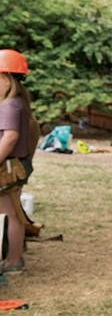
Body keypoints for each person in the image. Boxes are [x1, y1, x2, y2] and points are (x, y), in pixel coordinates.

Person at [0, 49, 38, 275]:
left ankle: (13, 261)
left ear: (5, 78)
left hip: (8, 167)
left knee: (11, 214)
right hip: (14, 165)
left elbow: (10, 137)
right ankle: (13, 257)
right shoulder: (17, 102)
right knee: (13, 211)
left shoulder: (8, 105)